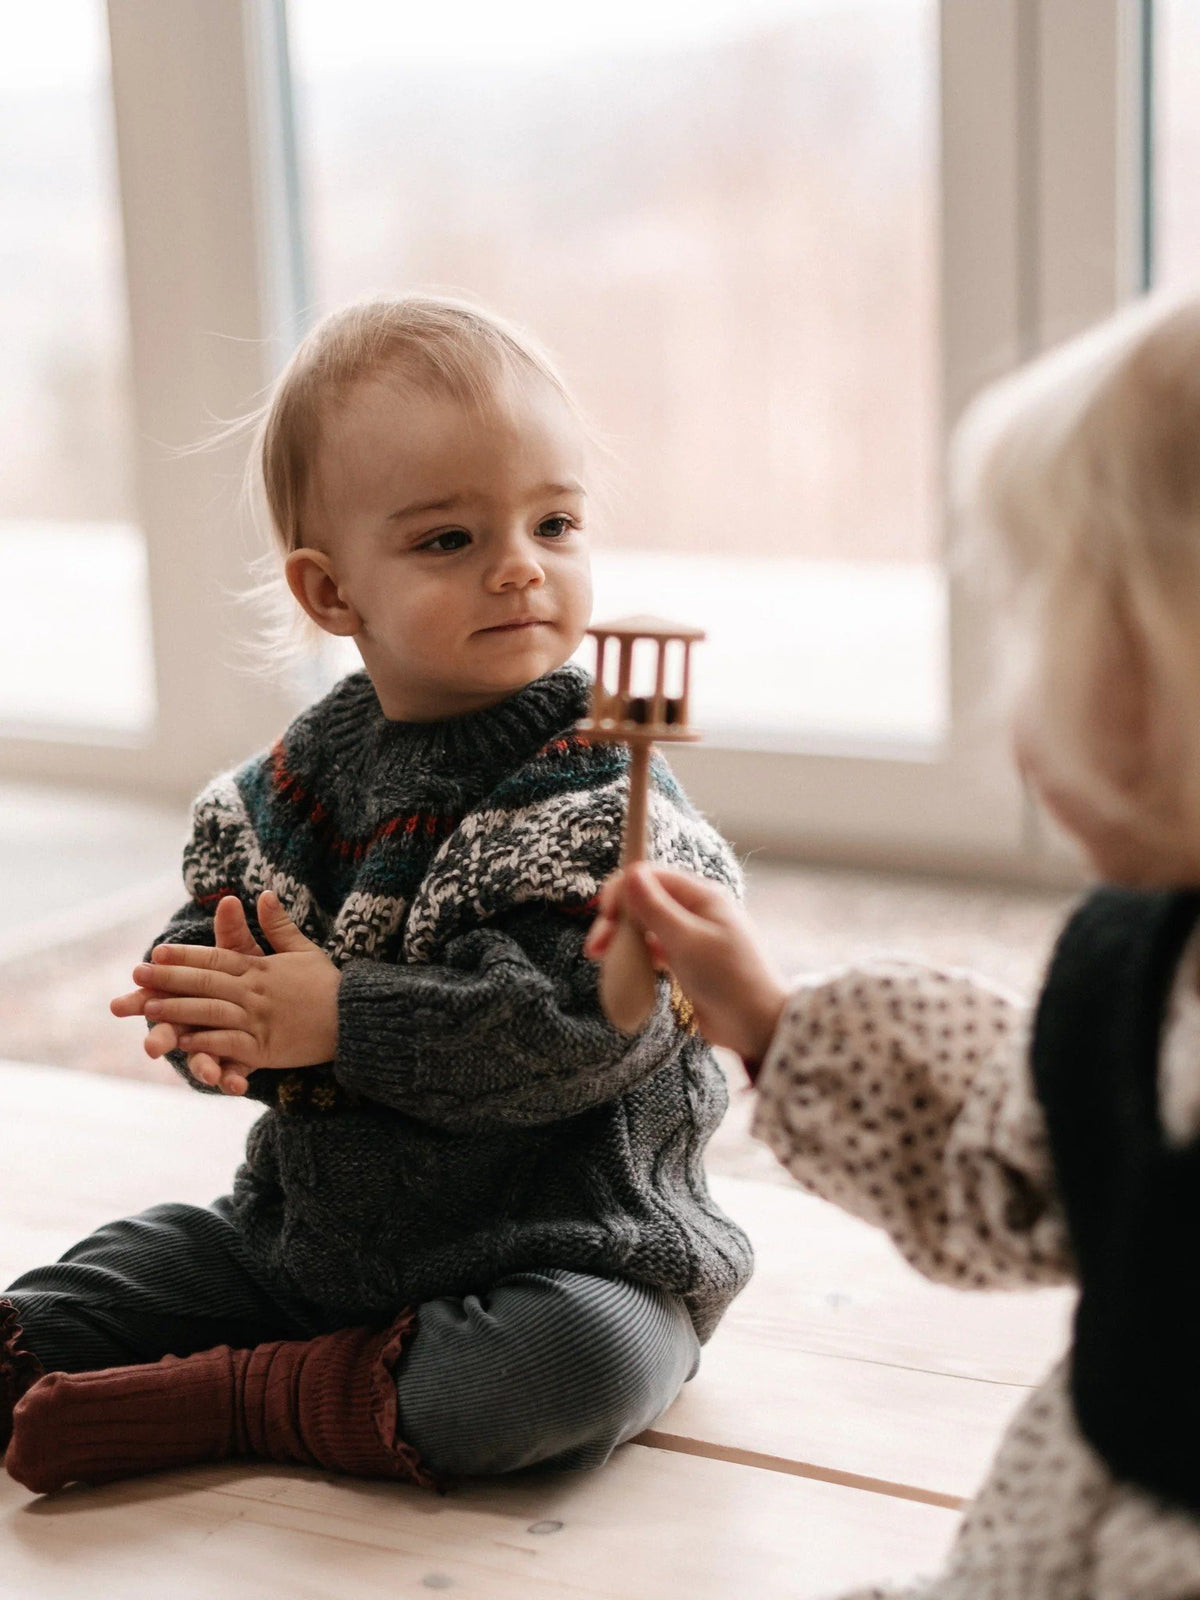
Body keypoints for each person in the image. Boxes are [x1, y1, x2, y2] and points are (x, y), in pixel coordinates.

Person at [1, 295, 752, 1496]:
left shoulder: (606, 793)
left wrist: (340, 1016)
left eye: (554, 521)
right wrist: (223, 1009)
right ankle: (73, 1358)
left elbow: (571, 1031)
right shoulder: (300, 780)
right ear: (329, 592)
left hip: (567, 1250)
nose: (521, 564)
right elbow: (229, 936)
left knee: (582, 1366)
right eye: (449, 540)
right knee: (123, 1270)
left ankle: (249, 1398)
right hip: (318, 1240)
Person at [586, 293, 1200, 1598]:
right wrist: (775, 1021)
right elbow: (1015, 1157)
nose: (1010, 679)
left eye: (1042, 620)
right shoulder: (1141, 968)